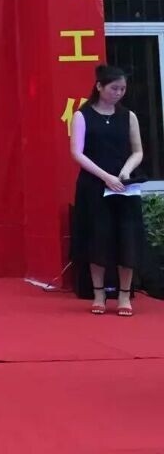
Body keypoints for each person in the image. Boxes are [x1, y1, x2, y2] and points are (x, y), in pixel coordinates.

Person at [70, 64, 146, 317]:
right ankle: (99, 293)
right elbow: (77, 152)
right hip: (94, 185)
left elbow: (138, 151)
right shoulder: (82, 115)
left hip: (123, 186)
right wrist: (105, 177)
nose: (119, 93)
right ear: (99, 87)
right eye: (114, 88)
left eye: (122, 89)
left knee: (127, 238)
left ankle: (124, 295)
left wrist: (125, 172)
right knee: (97, 239)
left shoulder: (129, 116)